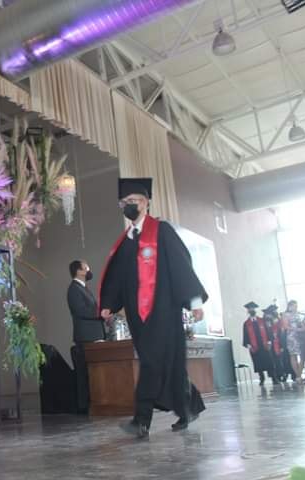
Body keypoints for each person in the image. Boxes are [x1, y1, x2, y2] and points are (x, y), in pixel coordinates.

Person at [99, 178, 207, 439]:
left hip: (163, 311)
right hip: (138, 316)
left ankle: (141, 420)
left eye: (133, 201)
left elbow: (182, 266)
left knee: (150, 363)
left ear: (146, 203)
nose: (128, 206)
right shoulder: (125, 241)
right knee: (168, 365)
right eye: (124, 203)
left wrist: (193, 301)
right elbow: (117, 278)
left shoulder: (161, 232)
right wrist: (109, 305)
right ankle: (189, 407)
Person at [66, 259, 105, 414]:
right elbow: (81, 310)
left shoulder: (83, 288)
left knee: (93, 373)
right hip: (86, 336)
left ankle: (92, 403)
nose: (89, 270)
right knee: (84, 374)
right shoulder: (74, 289)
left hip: (93, 334)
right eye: (86, 267)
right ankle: (84, 406)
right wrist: (101, 313)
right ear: (79, 271)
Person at [242, 301, 275, 386]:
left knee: (269, 362)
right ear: (248, 311)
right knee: (258, 363)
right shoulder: (246, 324)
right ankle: (262, 378)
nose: (251, 310)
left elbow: (268, 332)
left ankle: (274, 378)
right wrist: (249, 346)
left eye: (253, 308)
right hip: (254, 347)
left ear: (255, 310)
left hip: (264, 345)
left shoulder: (262, 321)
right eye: (250, 308)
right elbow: (246, 337)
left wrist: (269, 342)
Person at [283, 300, 303, 382]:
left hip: (300, 336)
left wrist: (301, 327)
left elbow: (300, 323)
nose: (295, 307)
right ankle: (298, 375)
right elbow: (285, 326)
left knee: (302, 356)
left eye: (296, 306)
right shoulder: (285, 315)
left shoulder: (297, 314)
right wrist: (296, 329)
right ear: (289, 306)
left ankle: (299, 374)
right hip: (291, 337)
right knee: (293, 356)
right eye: (294, 306)